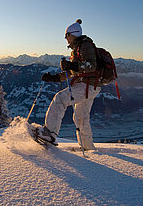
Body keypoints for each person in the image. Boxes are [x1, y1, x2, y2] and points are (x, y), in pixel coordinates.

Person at [37, 19, 101, 150]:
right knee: (81, 118)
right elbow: (73, 71)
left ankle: (50, 133)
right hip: (90, 85)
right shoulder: (78, 49)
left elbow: (91, 66)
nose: (65, 38)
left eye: (67, 35)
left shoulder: (85, 46)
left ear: (74, 34)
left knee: (60, 99)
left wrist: (71, 65)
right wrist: (54, 78)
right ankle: (88, 148)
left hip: (88, 85)